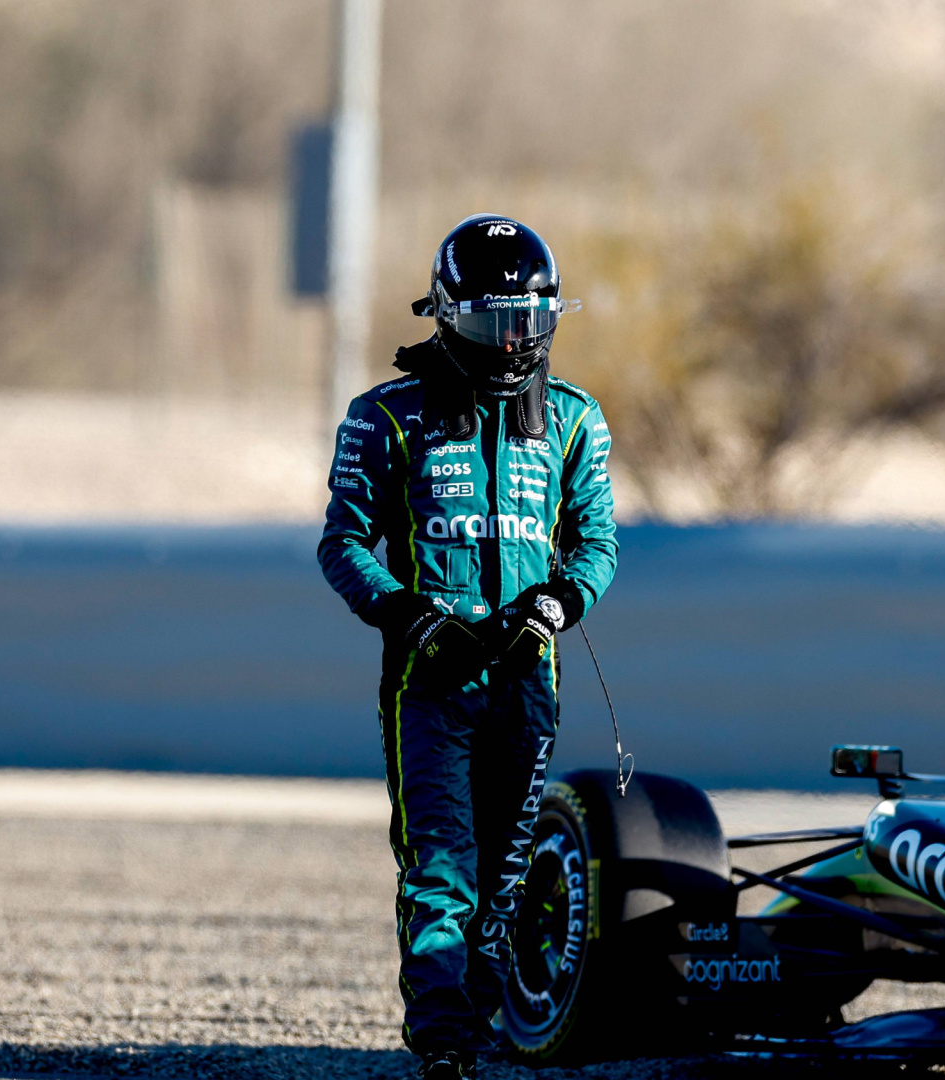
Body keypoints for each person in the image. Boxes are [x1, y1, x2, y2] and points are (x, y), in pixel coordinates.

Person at [318, 214, 617, 1080]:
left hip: (528, 682)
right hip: (429, 684)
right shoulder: (384, 416)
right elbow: (343, 543)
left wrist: (556, 605)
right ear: (448, 316)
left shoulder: (574, 419)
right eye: (495, 322)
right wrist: (410, 617)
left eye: (531, 320)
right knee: (441, 864)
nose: (515, 340)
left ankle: (479, 1020)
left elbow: (597, 543)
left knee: (506, 872)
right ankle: (444, 1036)